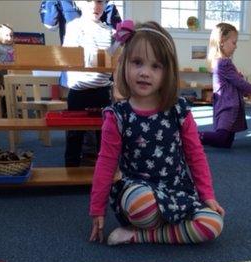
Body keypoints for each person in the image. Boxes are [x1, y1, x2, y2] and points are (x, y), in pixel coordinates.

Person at [89, 21, 225, 245]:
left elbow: (196, 155)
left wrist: (207, 196)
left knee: (213, 224)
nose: (144, 73)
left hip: (176, 192)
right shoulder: (117, 116)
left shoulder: (179, 110)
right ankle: (159, 225)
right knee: (140, 204)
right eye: (137, 63)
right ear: (124, 65)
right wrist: (97, 209)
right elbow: (106, 164)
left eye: (155, 66)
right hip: (138, 194)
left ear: (167, 72)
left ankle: (141, 236)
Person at [199, 23, 251, 149]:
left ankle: (198, 139)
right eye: (234, 43)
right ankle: (191, 138)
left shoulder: (220, 62)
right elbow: (240, 83)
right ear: (222, 42)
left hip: (226, 102)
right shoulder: (224, 62)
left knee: (226, 143)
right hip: (228, 105)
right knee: (221, 138)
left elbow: (234, 82)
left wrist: (238, 77)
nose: (236, 47)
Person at [62, 0, 114, 167]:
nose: (95, 6)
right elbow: (69, 57)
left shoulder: (109, 31)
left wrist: (120, 41)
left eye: (100, 1)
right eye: (89, 1)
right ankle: (70, 169)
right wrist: (100, 58)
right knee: (74, 135)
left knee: (104, 136)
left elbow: (114, 58)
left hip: (102, 91)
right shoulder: (73, 26)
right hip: (79, 91)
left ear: (106, 5)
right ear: (78, 3)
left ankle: (103, 174)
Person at [40, 0, 121, 44]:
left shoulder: (107, 5)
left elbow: (117, 34)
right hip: (72, 59)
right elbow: (49, 24)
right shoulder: (73, 26)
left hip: (100, 59)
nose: (93, 6)